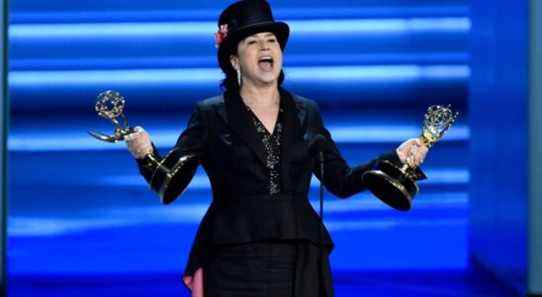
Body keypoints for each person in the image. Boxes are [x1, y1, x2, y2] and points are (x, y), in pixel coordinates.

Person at [125, 1, 428, 296]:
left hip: (298, 255)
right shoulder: (210, 115)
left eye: (272, 40)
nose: (266, 47)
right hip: (233, 257)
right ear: (234, 60)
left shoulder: (306, 112)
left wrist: (395, 159)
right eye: (253, 42)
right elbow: (171, 185)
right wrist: (145, 155)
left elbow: (341, 180)